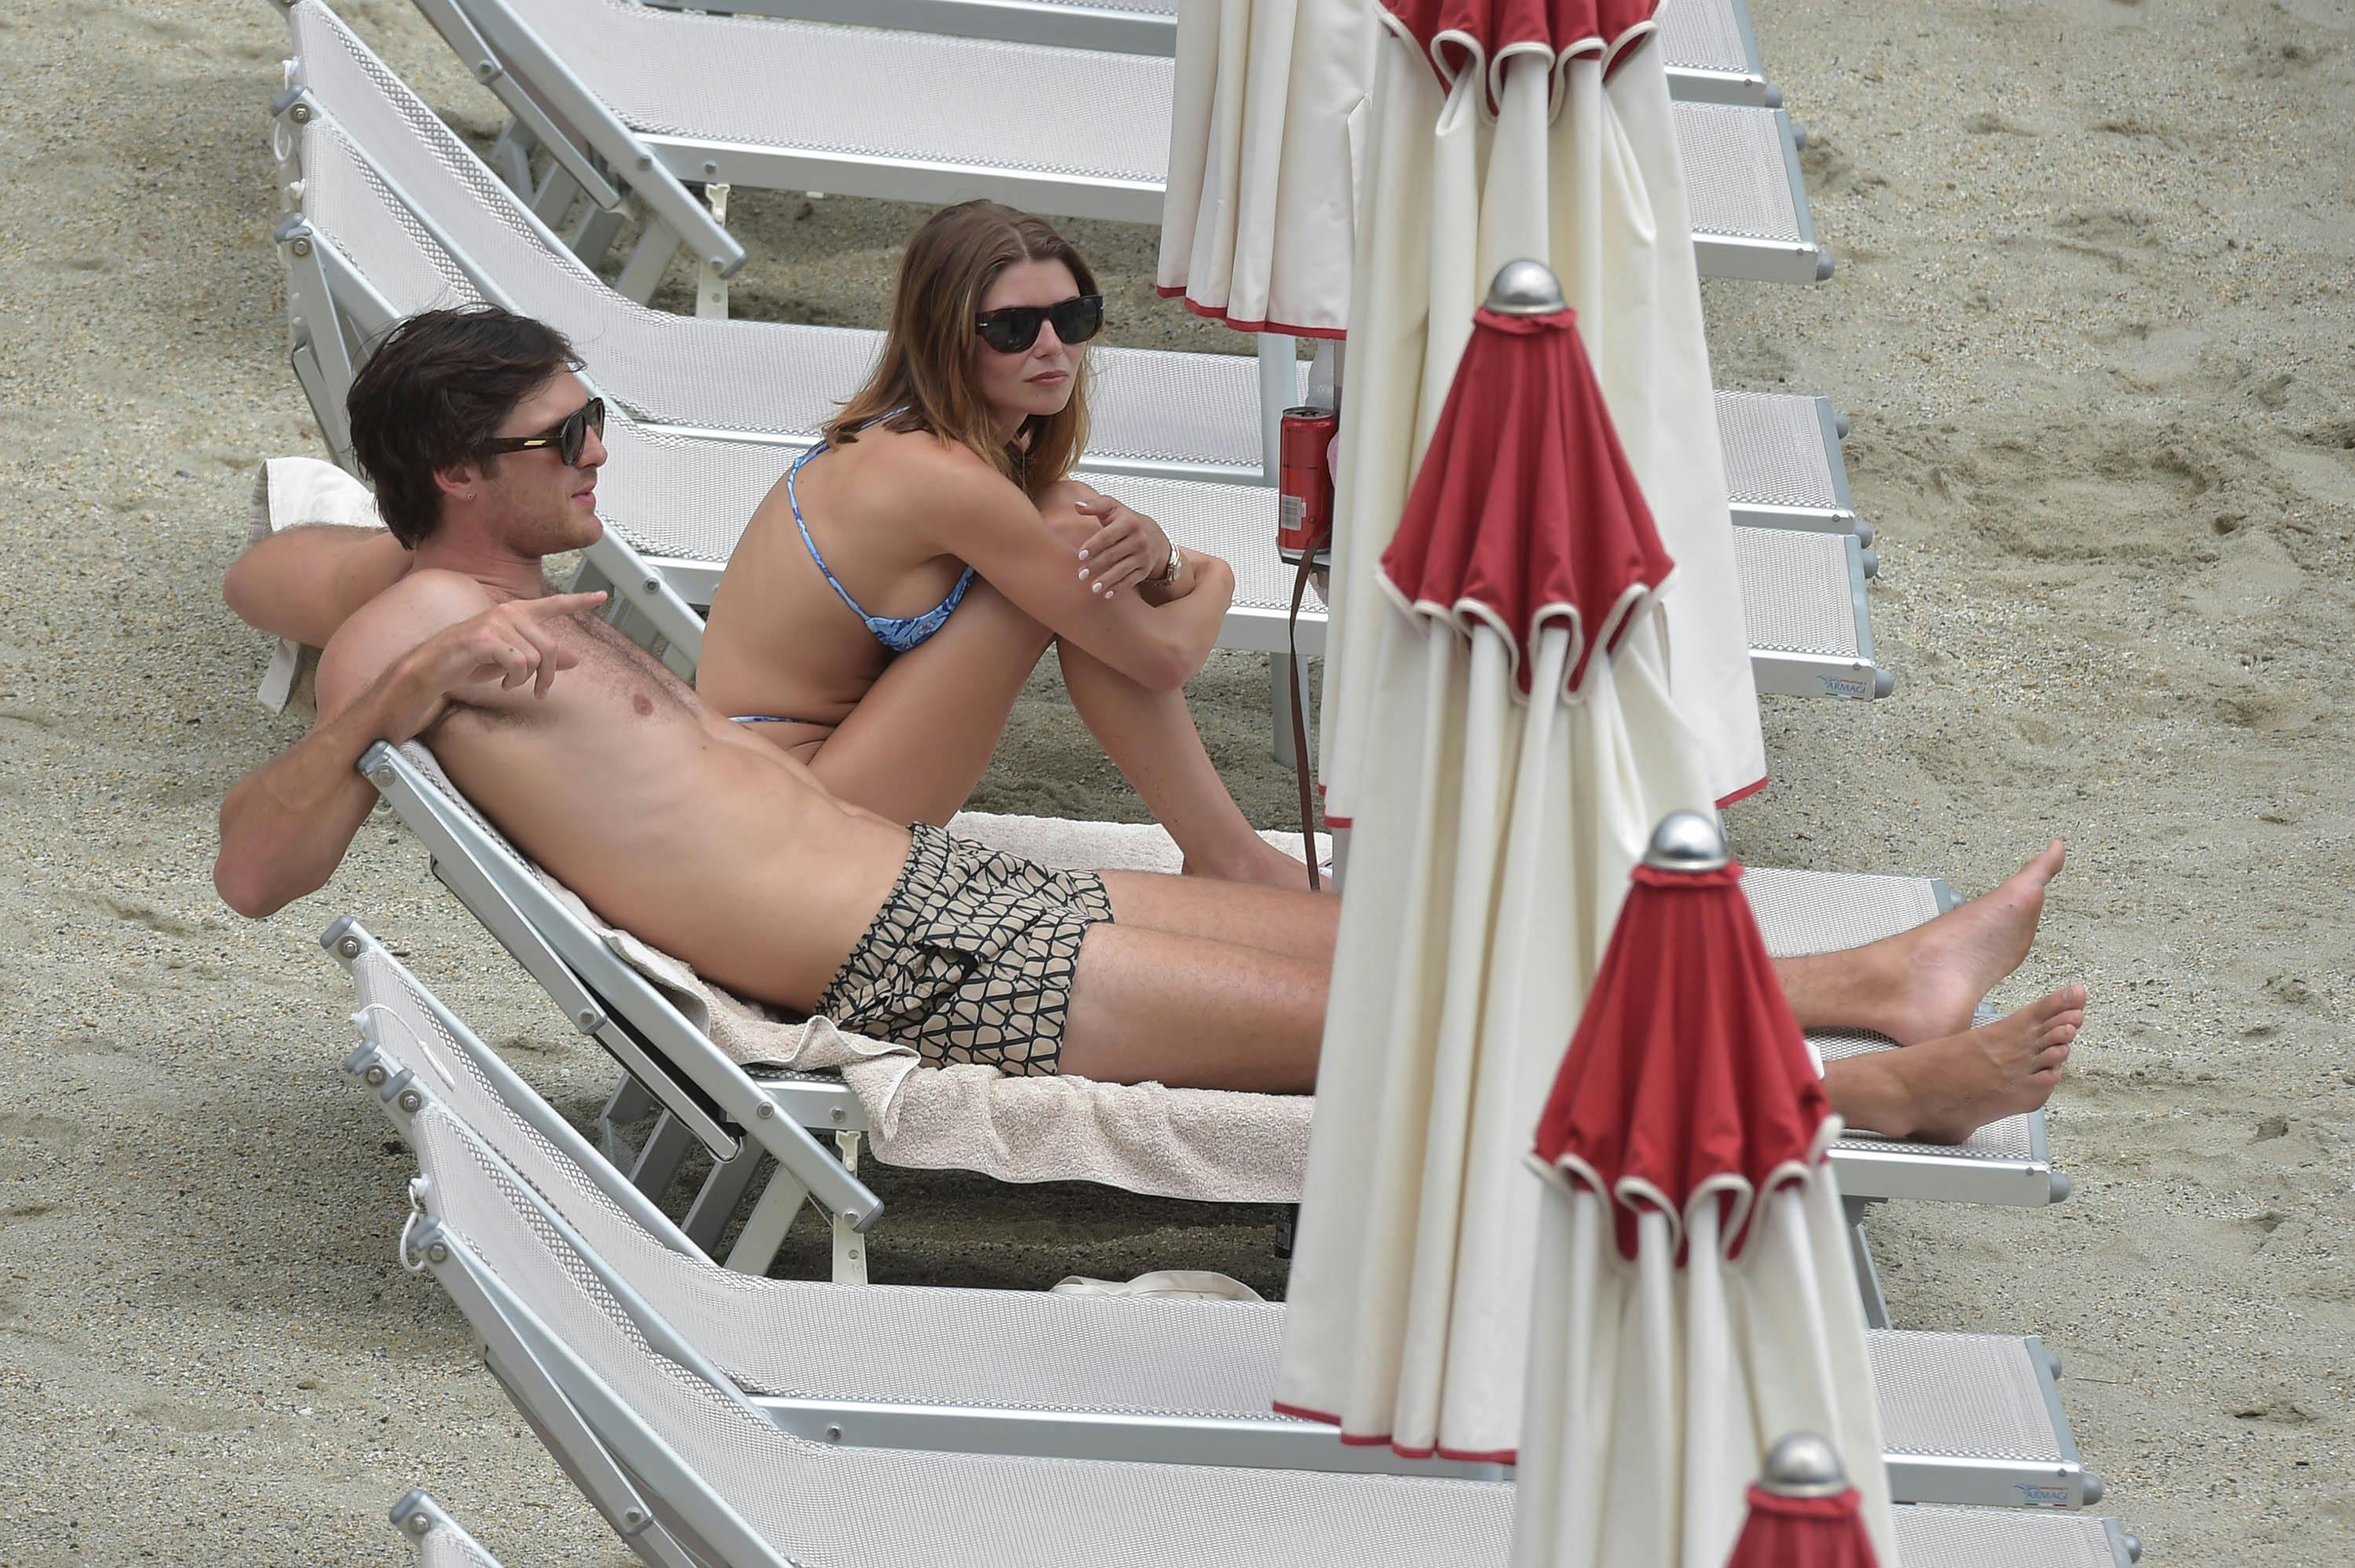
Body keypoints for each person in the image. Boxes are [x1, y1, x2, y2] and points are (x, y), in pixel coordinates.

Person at [216, 305, 2085, 1134]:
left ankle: (1855, 981)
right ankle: (1860, 1089)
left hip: (933, 889)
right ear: (463, 475)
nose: (602, 455)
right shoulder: (426, 625)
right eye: (564, 441)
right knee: (1400, 1042)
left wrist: (377, 619)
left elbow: (269, 566)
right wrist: (384, 692)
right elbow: (250, 869)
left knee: (1400, 948)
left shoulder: (469, 584)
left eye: (595, 414)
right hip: (900, 961)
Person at [694, 201, 1310, 889]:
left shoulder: (944, 449)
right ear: (945, 336)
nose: (1053, 348)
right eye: (1013, 329)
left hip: (778, 797)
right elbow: (1163, 659)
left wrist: (1163, 556)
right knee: (1076, 551)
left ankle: (1225, 857)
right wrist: (1216, 574)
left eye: (1074, 318)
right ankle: (1232, 860)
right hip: (782, 832)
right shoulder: (938, 478)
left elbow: (1112, 570)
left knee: (1076, 534)